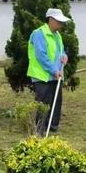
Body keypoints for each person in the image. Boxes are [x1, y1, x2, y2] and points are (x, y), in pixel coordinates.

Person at [27, 7, 70, 135]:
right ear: (50, 20)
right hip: (42, 75)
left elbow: (60, 51)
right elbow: (41, 56)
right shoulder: (39, 34)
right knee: (43, 103)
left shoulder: (57, 35)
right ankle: (40, 129)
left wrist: (64, 57)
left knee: (56, 102)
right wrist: (53, 70)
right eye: (59, 21)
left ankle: (53, 125)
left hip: (56, 75)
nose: (61, 24)